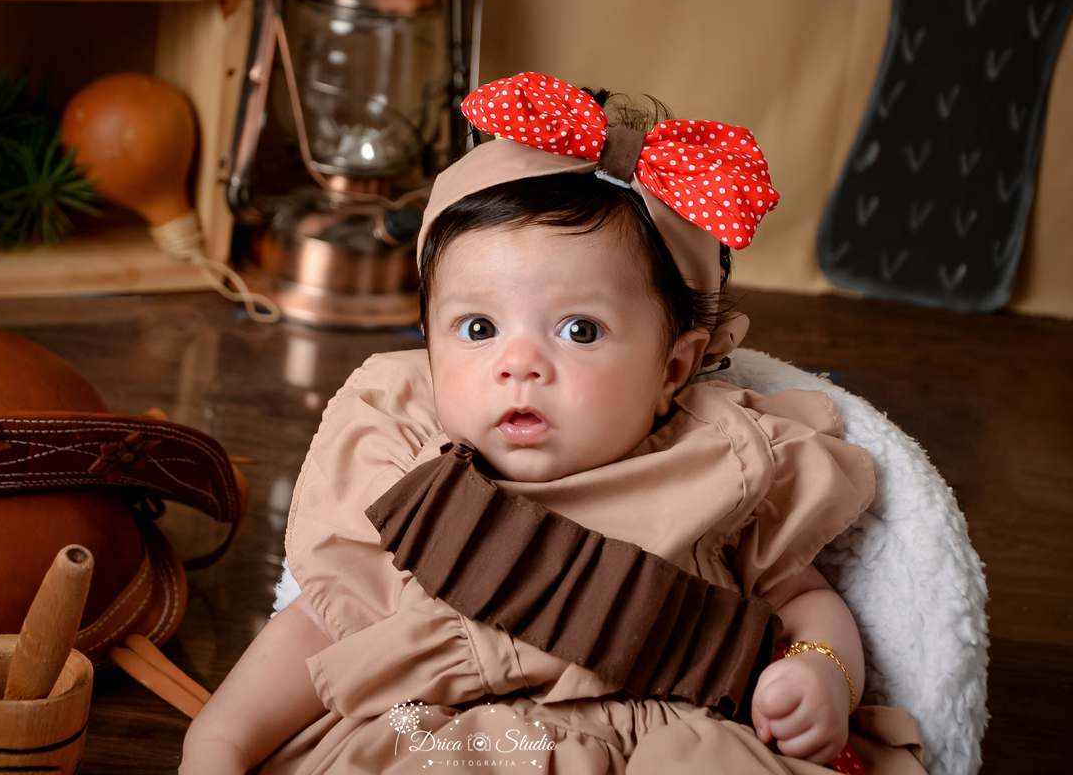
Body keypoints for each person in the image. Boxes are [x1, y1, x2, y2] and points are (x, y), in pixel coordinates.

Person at [180, 72, 926, 775]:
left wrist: (822, 672)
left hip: (660, 737)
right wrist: (218, 741)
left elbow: (803, 600)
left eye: (579, 331)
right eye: (477, 330)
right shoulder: (406, 471)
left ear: (673, 368)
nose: (520, 365)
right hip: (437, 735)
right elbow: (323, 625)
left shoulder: (723, 460)